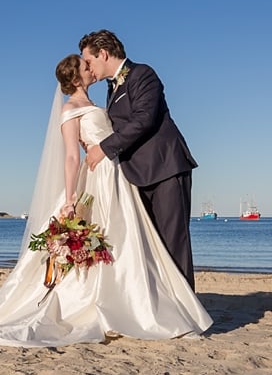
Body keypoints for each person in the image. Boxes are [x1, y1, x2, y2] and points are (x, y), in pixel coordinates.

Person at [0, 55, 212, 347]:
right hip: (98, 177)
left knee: (127, 241)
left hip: (117, 175)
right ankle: (111, 305)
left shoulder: (97, 99)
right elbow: (71, 158)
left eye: (91, 61)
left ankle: (136, 301)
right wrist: (71, 196)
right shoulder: (71, 108)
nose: (91, 67)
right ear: (77, 77)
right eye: (85, 65)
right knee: (112, 238)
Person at [80, 30, 198, 290]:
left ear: (103, 53)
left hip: (165, 167)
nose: (87, 68)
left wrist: (103, 148)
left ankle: (188, 314)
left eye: (88, 61)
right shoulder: (111, 89)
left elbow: (144, 120)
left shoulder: (143, 74)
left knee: (173, 242)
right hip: (137, 173)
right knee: (151, 244)